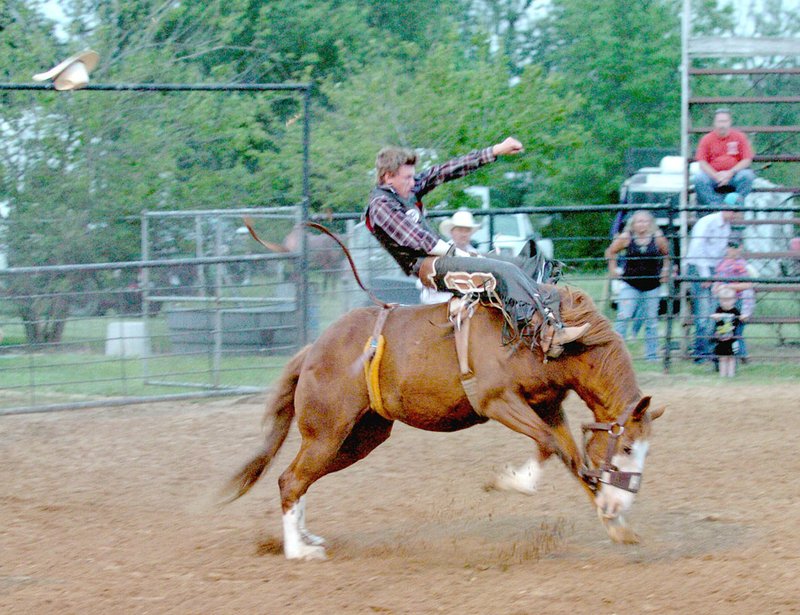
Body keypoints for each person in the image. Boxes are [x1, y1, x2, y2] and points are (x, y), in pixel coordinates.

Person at [364, 137, 590, 358]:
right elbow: (416, 238)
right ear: (388, 177)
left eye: (413, 177)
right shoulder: (380, 206)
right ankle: (547, 333)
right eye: (408, 178)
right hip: (427, 267)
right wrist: (455, 252)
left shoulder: (405, 192)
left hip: (442, 258)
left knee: (525, 261)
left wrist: (494, 151)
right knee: (503, 271)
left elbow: (444, 170)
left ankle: (552, 318)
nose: (413, 182)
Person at [684, 192, 742, 362]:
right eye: (732, 209)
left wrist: (716, 275)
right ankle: (701, 352)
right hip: (699, 266)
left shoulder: (725, 226)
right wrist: (704, 275)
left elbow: (719, 254)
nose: (733, 213)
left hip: (712, 268)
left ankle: (707, 350)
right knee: (703, 311)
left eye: (736, 211)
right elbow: (697, 248)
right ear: (724, 207)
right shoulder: (708, 222)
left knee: (713, 310)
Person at [605, 211, 670, 361]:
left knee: (651, 322)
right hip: (630, 284)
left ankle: (652, 355)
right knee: (623, 318)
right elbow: (611, 251)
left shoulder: (658, 238)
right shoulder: (626, 237)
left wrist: (666, 270)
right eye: (638, 222)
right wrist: (613, 269)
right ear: (633, 224)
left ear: (651, 223)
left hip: (652, 285)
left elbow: (667, 254)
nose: (642, 224)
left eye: (645, 221)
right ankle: (616, 355)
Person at [694, 108, 755, 206]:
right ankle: (716, 208)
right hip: (713, 177)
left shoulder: (740, 137)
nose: (722, 125)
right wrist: (716, 176)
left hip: (734, 175)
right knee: (699, 178)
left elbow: (747, 160)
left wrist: (730, 173)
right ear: (714, 123)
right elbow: (702, 163)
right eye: (719, 121)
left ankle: (734, 205)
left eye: (725, 121)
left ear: (730, 122)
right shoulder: (706, 139)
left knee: (747, 176)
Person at [419, 209, 481, 304]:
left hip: (467, 305)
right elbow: (421, 282)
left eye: (467, 230)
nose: (464, 234)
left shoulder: (477, 257)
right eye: (460, 230)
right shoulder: (438, 254)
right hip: (438, 303)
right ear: (452, 232)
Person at [712, 237, 754, 361]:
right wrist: (717, 287)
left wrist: (728, 286)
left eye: (735, 247)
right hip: (723, 301)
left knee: (736, 330)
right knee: (722, 329)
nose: (732, 250)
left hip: (738, 301)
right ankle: (721, 355)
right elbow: (717, 279)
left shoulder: (741, 265)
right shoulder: (722, 263)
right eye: (730, 247)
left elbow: (747, 284)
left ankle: (741, 354)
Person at [710, 286, 741, 377]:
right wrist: (717, 319)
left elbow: (736, 323)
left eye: (728, 300)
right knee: (722, 358)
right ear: (720, 300)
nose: (726, 303)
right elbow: (718, 324)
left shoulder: (735, 311)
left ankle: (731, 374)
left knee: (731, 357)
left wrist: (742, 317)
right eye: (723, 300)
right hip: (721, 338)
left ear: (734, 300)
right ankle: (722, 374)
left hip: (732, 338)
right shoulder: (718, 310)